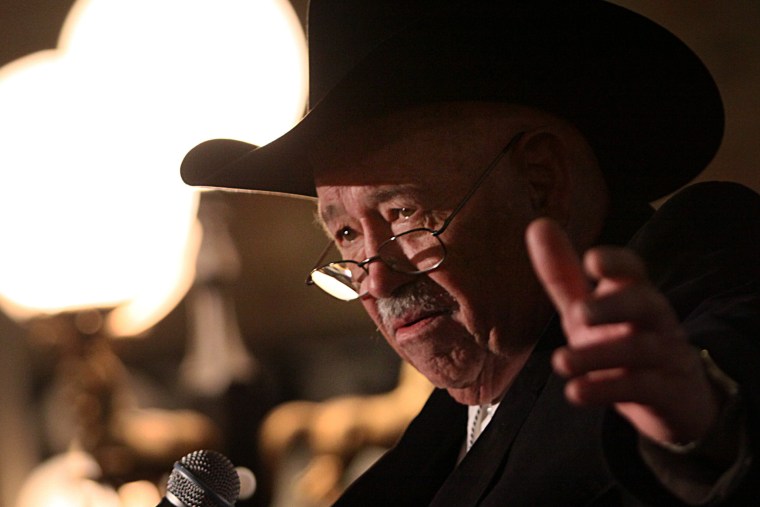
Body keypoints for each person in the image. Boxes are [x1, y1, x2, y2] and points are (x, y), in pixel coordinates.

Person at [180, 1, 760, 504]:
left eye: (404, 213)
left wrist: (707, 431)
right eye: (348, 237)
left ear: (540, 180)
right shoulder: (441, 433)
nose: (376, 281)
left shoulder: (696, 269)